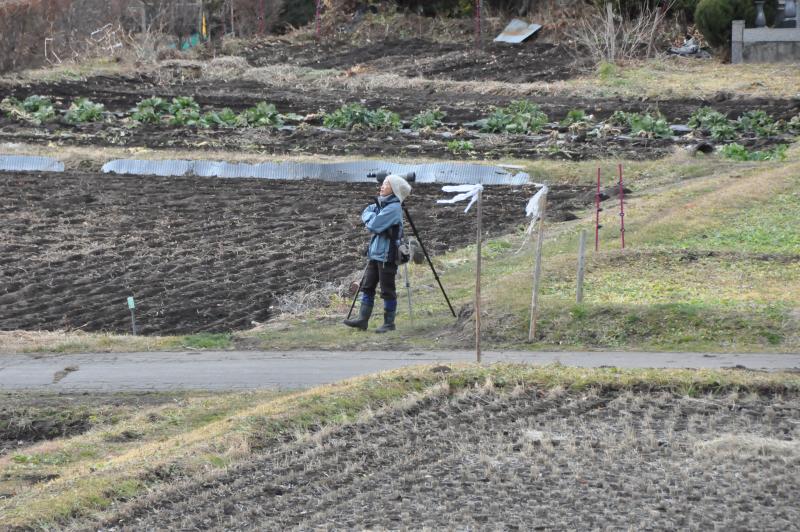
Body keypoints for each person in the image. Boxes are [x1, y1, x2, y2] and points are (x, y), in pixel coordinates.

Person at [343, 174, 412, 333]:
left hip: (387, 255)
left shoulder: (393, 208)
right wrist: (371, 218)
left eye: (386, 184)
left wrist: (370, 219)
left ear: (394, 190)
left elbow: (373, 225)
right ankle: (362, 320)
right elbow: (366, 212)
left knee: (387, 290)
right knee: (367, 287)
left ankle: (389, 324)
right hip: (375, 254)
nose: (382, 186)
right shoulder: (382, 204)